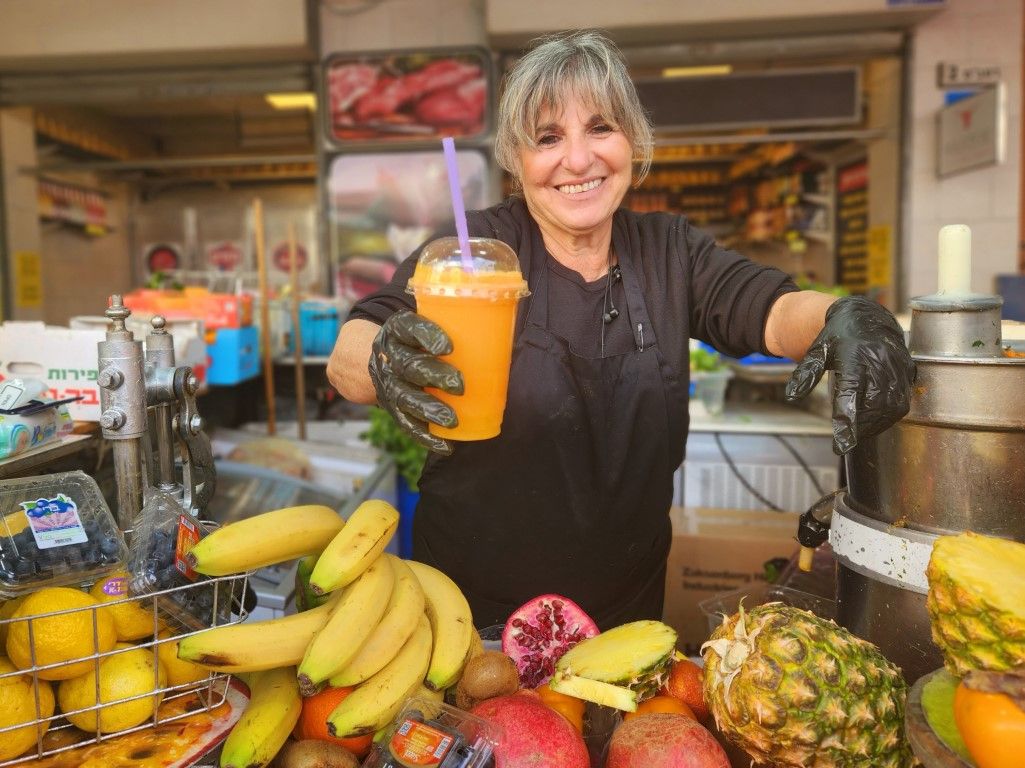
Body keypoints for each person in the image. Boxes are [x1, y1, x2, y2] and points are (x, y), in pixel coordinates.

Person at [328, 30, 914, 629]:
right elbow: (353, 349)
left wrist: (843, 316)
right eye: (548, 138)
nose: (579, 160)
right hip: (469, 619)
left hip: (625, 615)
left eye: (600, 128)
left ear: (633, 140)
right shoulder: (473, 252)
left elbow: (772, 309)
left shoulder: (669, 251)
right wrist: (384, 358)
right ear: (516, 159)